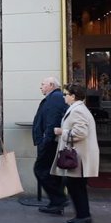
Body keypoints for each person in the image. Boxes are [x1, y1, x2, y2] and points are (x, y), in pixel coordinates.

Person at [51, 84, 99, 223]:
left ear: (73, 96)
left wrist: (61, 132)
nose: (64, 96)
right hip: (79, 155)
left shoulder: (77, 111)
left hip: (79, 156)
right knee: (76, 185)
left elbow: (80, 133)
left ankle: (83, 215)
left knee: (76, 186)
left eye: (66, 94)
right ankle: (82, 215)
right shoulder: (77, 109)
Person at [33, 77, 69, 215]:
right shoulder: (54, 97)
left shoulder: (55, 97)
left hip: (50, 143)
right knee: (50, 173)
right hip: (50, 141)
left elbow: (52, 121)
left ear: (51, 85)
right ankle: (56, 203)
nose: (41, 87)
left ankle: (59, 199)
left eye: (43, 84)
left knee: (40, 170)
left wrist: (45, 141)